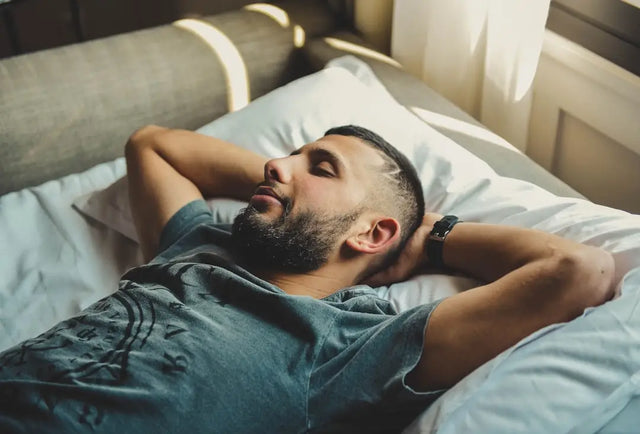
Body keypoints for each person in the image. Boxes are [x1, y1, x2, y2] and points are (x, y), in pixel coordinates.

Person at [0, 125, 615, 433]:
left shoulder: (353, 347)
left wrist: (426, 236)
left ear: (373, 235)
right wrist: (285, 186)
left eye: (320, 165)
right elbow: (153, 145)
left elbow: (579, 270)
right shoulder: (200, 244)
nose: (275, 163)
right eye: (290, 155)